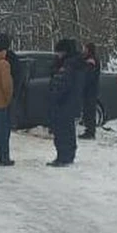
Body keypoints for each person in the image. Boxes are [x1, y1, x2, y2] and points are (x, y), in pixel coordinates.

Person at [47, 38, 85, 167]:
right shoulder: (72, 63)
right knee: (67, 130)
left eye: (59, 52)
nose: (57, 55)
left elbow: (63, 83)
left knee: (63, 130)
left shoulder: (69, 65)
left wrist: (55, 95)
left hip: (64, 102)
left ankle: (63, 156)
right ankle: (66, 155)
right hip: (69, 102)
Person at [79, 42, 101, 140]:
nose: (84, 50)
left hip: (90, 89)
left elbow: (88, 75)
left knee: (89, 110)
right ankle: (88, 130)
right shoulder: (87, 59)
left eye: (85, 48)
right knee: (87, 110)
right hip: (88, 89)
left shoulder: (91, 61)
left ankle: (90, 132)